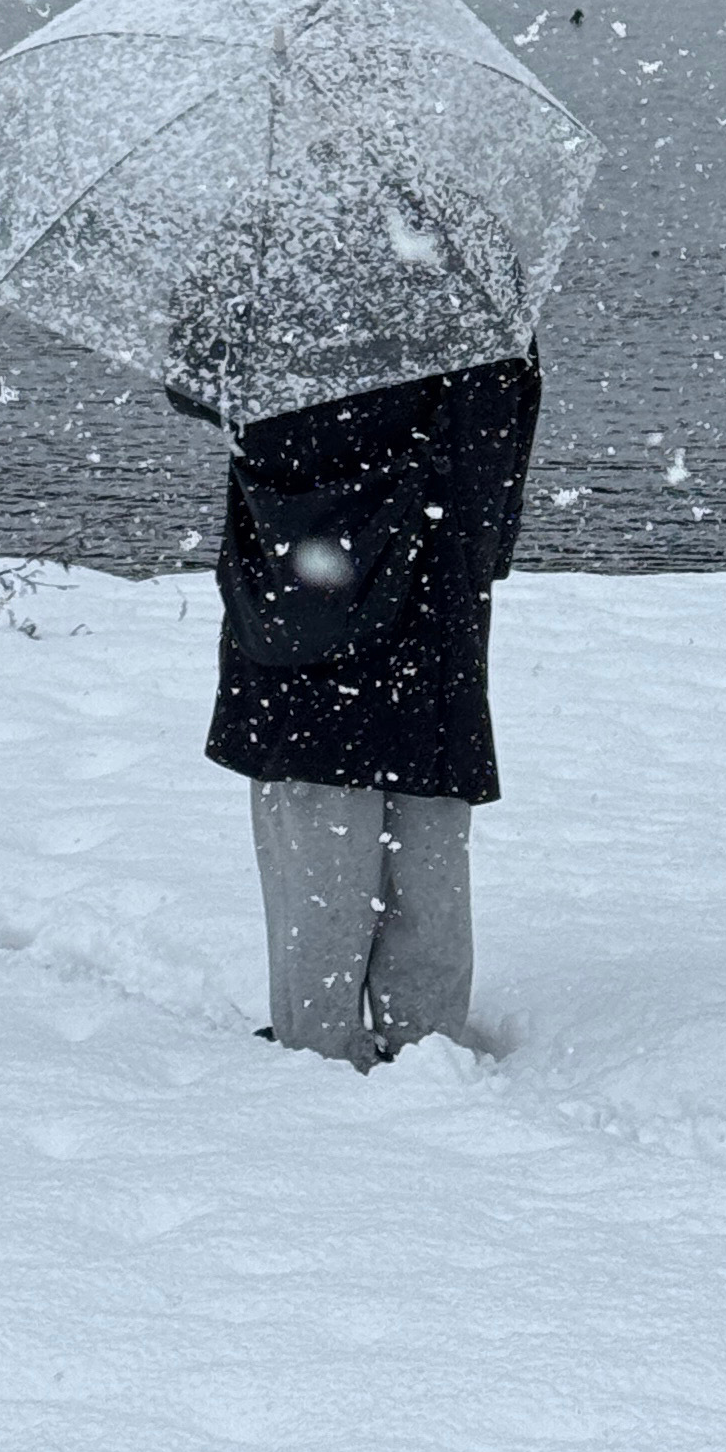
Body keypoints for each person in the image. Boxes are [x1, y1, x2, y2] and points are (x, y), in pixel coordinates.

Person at [174, 351, 541, 1066]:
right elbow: (502, 429)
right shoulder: (468, 276)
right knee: (423, 816)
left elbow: (202, 378)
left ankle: (320, 1042)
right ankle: (424, 1035)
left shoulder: (272, 262)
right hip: (431, 581)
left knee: (318, 821)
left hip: (302, 579)